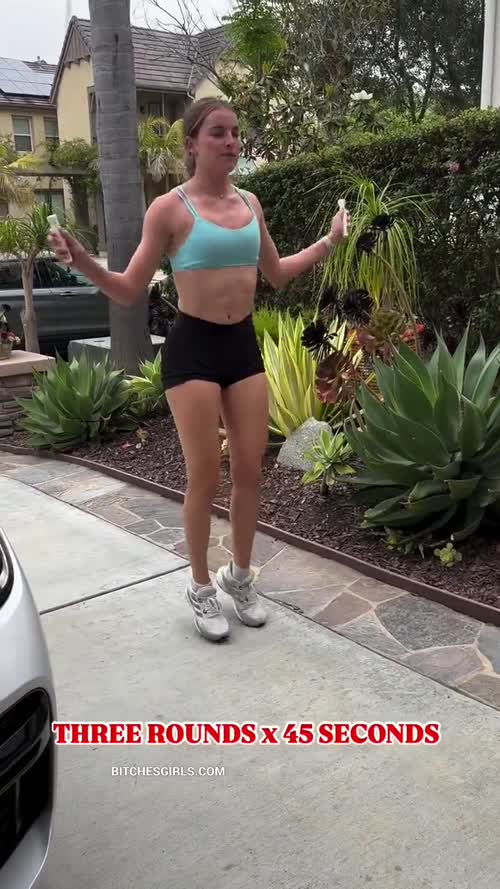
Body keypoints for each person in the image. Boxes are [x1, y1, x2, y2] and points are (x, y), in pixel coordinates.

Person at [48, 97, 351, 643]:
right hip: (193, 349)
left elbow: (277, 274)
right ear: (192, 143)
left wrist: (329, 242)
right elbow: (128, 288)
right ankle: (201, 585)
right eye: (218, 133)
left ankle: (239, 577)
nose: (231, 141)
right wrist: (83, 260)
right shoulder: (170, 209)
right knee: (204, 477)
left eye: (235, 132)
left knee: (251, 470)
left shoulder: (251, 203)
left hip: (241, 346)